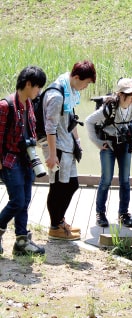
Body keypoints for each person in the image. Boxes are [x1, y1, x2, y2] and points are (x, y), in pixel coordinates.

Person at [41, 60, 96, 240]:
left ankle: (59, 220)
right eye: (86, 83)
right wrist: (51, 154)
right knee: (58, 187)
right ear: (77, 77)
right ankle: (54, 226)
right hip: (57, 148)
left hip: (67, 146)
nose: (85, 87)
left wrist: (77, 141)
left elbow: (71, 118)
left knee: (71, 185)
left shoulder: (69, 88)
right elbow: (50, 127)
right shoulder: (57, 96)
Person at [0, 66, 47, 255]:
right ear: (28, 84)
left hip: (27, 160)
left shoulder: (28, 104)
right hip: (10, 160)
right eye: (38, 87)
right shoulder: (5, 106)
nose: (39, 91)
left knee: (25, 200)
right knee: (18, 201)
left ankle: (21, 241)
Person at [85, 78, 132, 228]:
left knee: (125, 181)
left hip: (125, 144)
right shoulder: (109, 108)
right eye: (130, 95)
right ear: (120, 95)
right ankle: (100, 213)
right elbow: (88, 121)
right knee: (106, 180)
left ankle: (123, 214)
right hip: (108, 145)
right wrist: (98, 143)